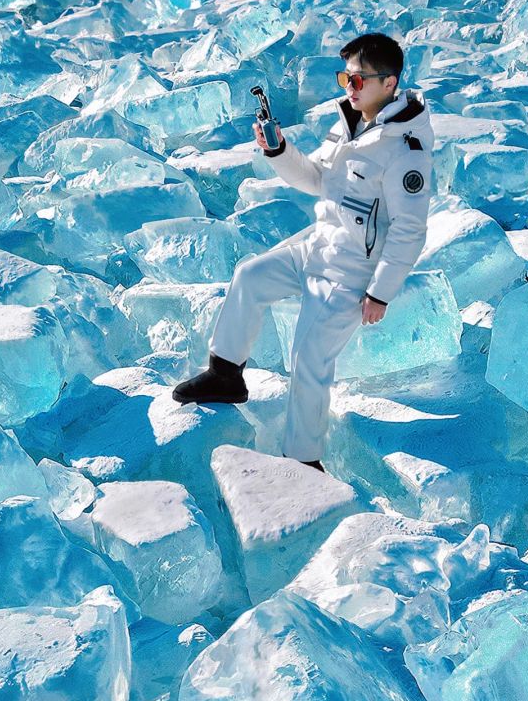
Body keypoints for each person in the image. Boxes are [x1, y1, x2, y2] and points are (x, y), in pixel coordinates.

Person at [172, 32, 433, 471]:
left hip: (354, 270)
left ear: (389, 84)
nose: (348, 89)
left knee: (308, 359)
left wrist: (380, 292)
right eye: (344, 78)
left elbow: (410, 229)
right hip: (318, 244)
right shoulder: (352, 122)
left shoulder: (406, 152)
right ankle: (225, 374)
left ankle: (303, 461)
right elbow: (317, 180)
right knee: (250, 277)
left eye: (356, 80)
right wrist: (278, 149)